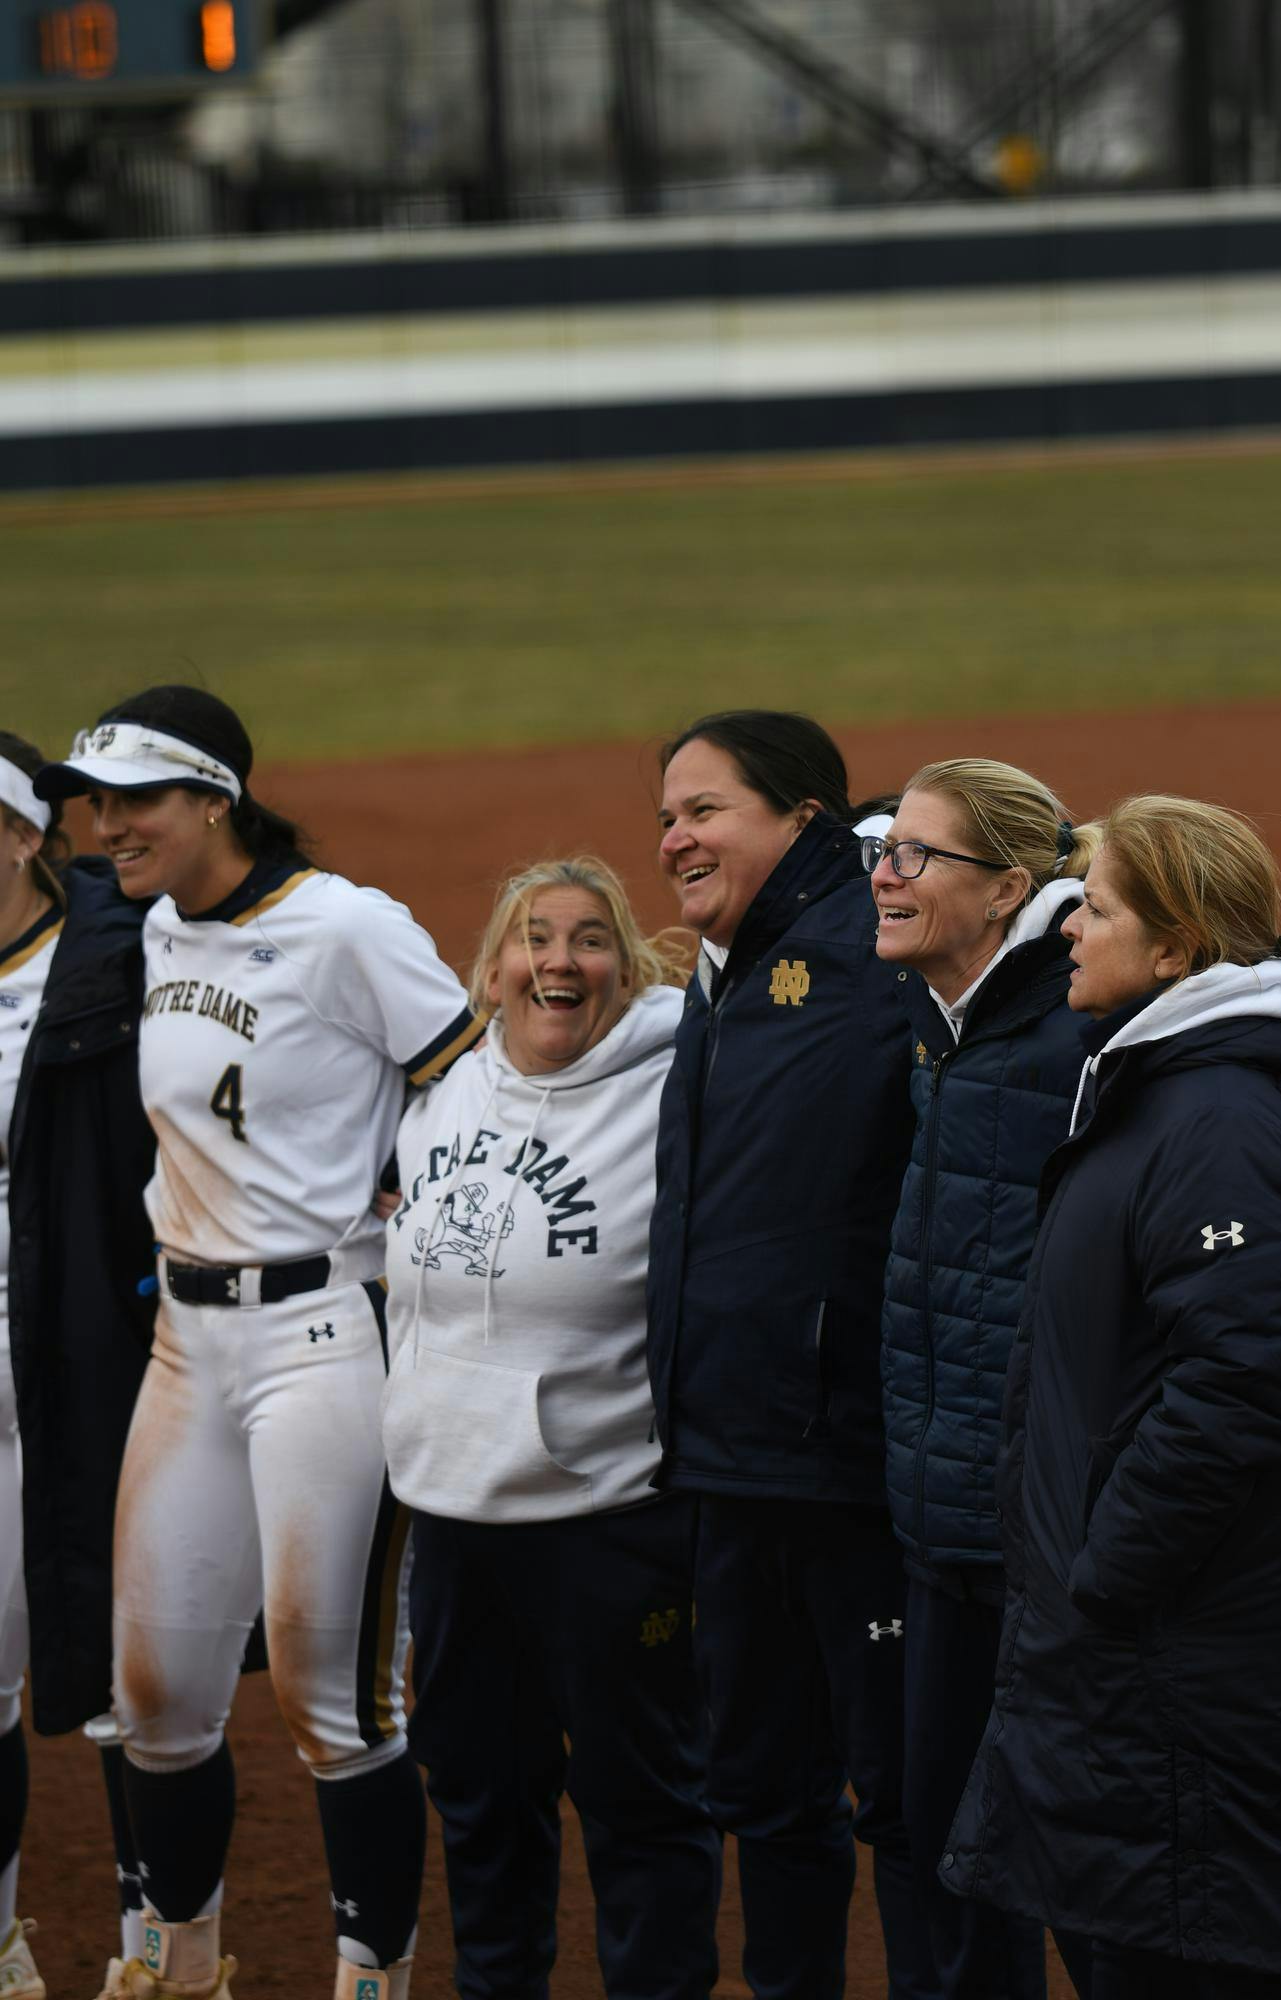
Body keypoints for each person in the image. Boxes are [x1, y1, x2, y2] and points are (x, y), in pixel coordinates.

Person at [34, 686, 484, 2000]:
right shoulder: (151, 931)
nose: (108, 827)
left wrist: (414, 1207)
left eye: (137, 802)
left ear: (215, 801)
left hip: (322, 1338)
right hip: (186, 1348)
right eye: (96, 803)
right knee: (158, 1702)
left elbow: (458, 1078)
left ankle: (371, 1978)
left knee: (329, 1706)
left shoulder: (346, 926)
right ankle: (177, 1971)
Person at [944, 794, 1281, 2000]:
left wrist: (1107, 1568)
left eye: (1097, 906)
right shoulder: (1165, 1083)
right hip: (1144, 1663)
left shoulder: (1214, 1115)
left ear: (1174, 948)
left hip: (1180, 1667)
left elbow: (1250, 1367)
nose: (1069, 925)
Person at [382, 855, 720, 2000]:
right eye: (533, 937)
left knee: (641, 1803)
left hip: (606, 1516)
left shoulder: (677, 1077)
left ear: (626, 971)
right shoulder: (438, 1094)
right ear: (491, 969)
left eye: (587, 940)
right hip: (454, 1514)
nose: (557, 960)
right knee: (478, 1795)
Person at [647, 711, 935, 2000]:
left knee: (909, 1794)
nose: (674, 838)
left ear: (804, 819)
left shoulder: (873, 950)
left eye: (705, 808)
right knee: (763, 1789)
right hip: (727, 1455)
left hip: (848, 1460)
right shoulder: (725, 970)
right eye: (666, 815)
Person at [866, 757, 1099, 2000]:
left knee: (1086, 1867)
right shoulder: (943, 1029)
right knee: (951, 1846)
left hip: (1046, 1538)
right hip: (943, 1521)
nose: (885, 873)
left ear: (1009, 885)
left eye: (917, 854)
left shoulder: (1073, 1031)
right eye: (883, 848)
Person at [1, 730, 159, 1999]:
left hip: (91, 1353)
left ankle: (151, 1951)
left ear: (19, 834)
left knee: (122, 1669)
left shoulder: (125, 952)